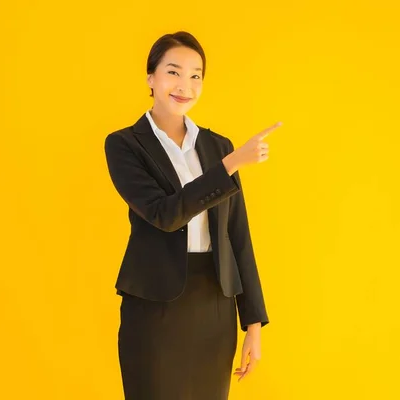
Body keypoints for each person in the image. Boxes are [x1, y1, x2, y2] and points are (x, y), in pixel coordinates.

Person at [103, 31, 280, 400]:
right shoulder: (124, 145)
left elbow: (237, 235)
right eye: (173, 72)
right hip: (154, 309)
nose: (185, 85)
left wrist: (253, 322)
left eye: (196, 75)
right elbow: (164, 214)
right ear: (150, 78)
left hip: (214, 305)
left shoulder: (218, 145)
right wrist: (230, 165)